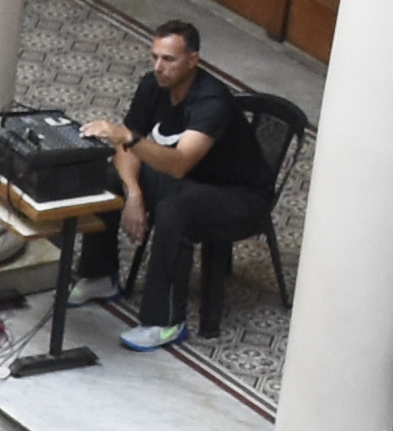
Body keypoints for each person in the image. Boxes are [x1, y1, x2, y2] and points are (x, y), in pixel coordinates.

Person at [86, 22, 277, 349]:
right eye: (155, 57)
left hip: (239, 197)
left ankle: (165, 322)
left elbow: (179, 163)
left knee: (176, 211)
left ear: (193, 60)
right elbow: (125, 152)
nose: (159, 67)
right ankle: (100, 275)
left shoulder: (211, 101)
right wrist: (133, 193)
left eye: (169, 60)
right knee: (109, 176)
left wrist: (129, 138)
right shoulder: (152, 86)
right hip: (190, 182)